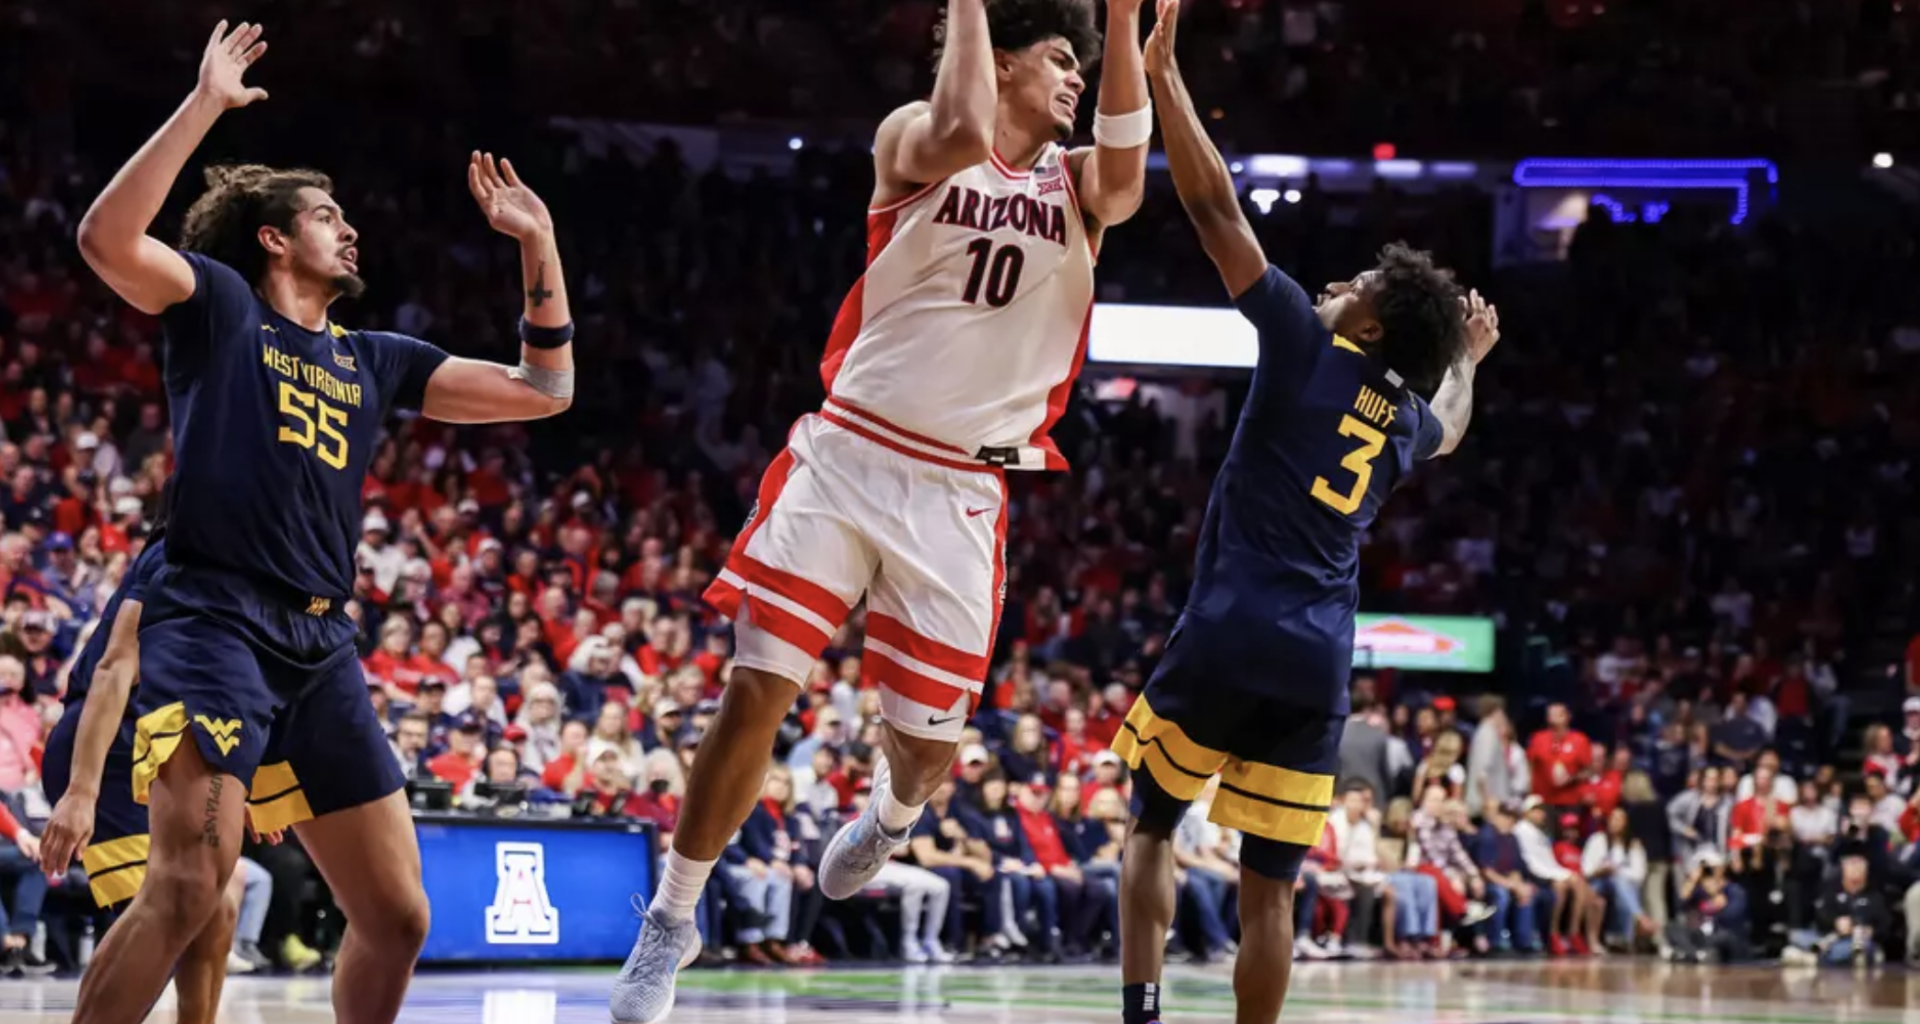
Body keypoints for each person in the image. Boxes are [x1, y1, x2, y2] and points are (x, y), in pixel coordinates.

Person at [610, 0, 1152, 1019]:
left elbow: (1125, 178)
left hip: (964, 488)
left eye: (1081, 67)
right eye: (1055, 58)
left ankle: (892, 817)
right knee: (756, 685)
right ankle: (671, 921)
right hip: (851, 450)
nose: (1074, 80)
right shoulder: (915, 135)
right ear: (998, 58)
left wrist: (1121, 26)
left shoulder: (1075, 185)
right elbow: (956, 130)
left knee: (934, 750)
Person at [69, 22, 576, 1024]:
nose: (350, 231)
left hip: (320, 642)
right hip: (213, 619)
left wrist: (539, 243)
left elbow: (544, 388)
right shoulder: (219, 307)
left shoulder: (374, 357)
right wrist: (206, 103)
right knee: (185, 890)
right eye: (327, 216)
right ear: (273, 237)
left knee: (396, 916)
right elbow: (104, 242)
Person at [1110, 3, 1494, 1022]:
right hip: (1319, 659)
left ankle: (1141, 1010)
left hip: (1230, 629)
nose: (1336, 281)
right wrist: (1467, 362)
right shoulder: (1408, 417)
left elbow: (1214, 209)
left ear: (1365, 320)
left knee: (1151, 828)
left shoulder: (1301, 341)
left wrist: (1164, 76)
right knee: (1268, 890)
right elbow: (1452, 423)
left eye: (1355, 281)